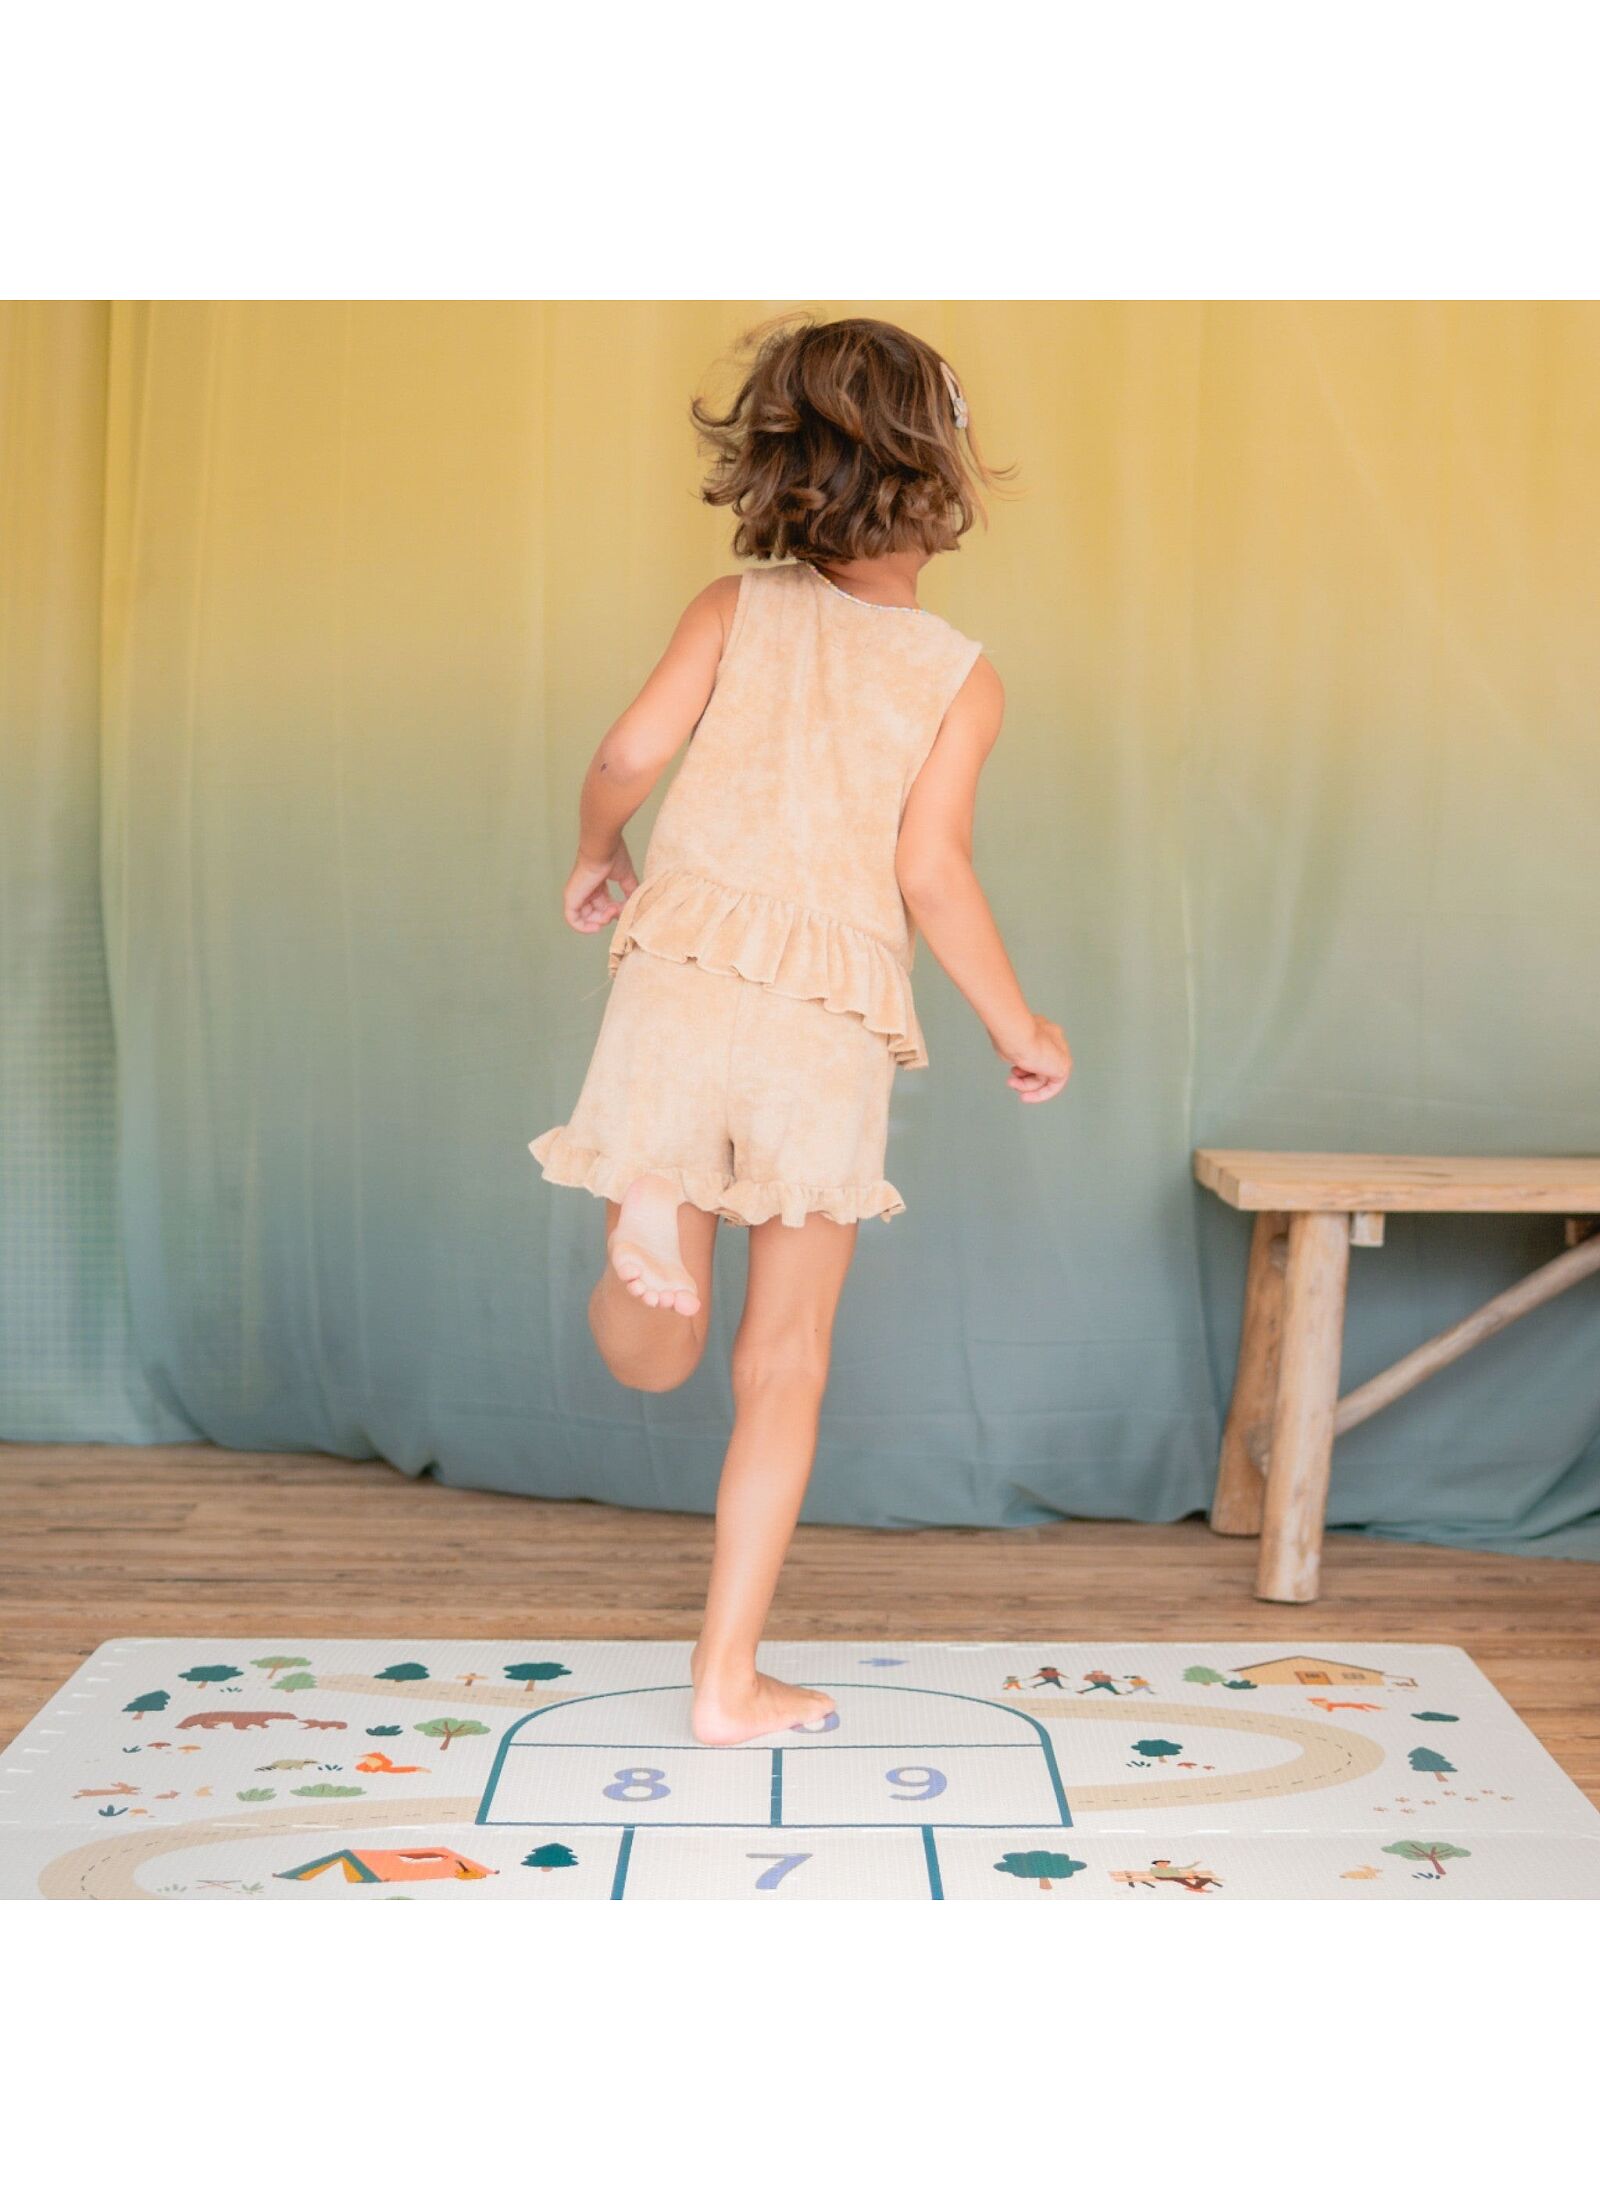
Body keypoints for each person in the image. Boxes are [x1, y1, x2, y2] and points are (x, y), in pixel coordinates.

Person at [531, 316, 1073, 1746]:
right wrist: (1020, 1026)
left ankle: (647, 1223)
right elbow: (931, 874)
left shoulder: (731, 610)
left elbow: (627, 755)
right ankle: (726, 1681)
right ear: (938, 471)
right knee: (784, 1361)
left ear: (783, 463)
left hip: (683, 969)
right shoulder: (960, 673)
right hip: (826, 1017)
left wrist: (599, 849)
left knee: (654, 1347)